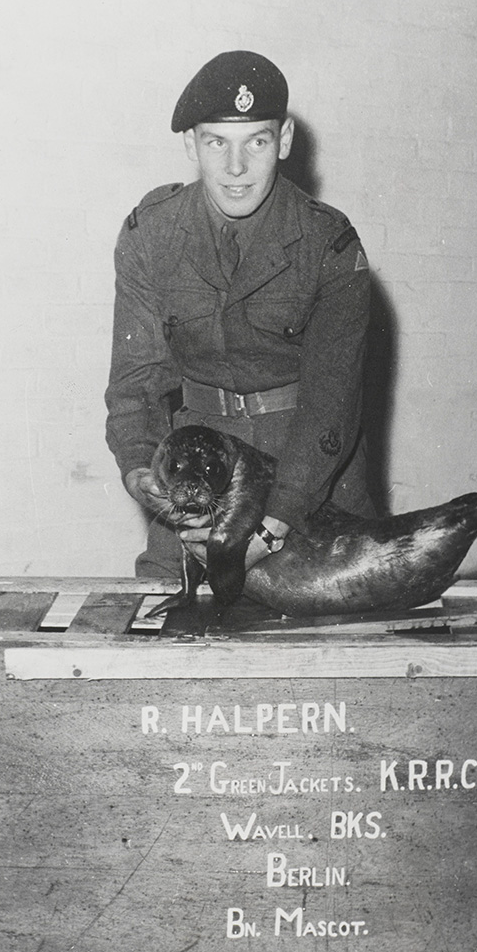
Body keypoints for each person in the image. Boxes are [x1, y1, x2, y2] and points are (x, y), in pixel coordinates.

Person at [105, 50, 375, 579]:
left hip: (308, 474)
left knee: (329, 641)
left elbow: (331, 403)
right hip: (196, 472)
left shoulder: (329, 243)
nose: (236, 168)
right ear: (191, 145)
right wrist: (141, 469)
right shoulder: (150, 235)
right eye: (216, 142)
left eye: (257, 140)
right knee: (160, 620)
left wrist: (274, 523)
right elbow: (136, 381)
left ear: (286, 140)